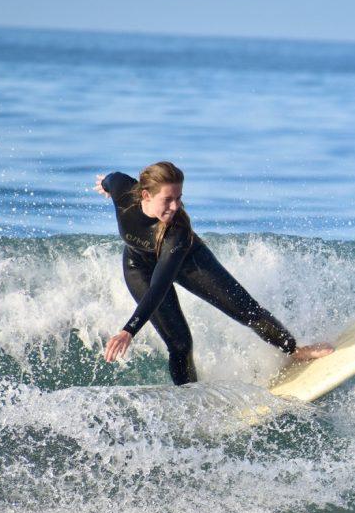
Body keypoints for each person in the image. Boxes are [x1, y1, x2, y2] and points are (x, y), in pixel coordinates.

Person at [94, 161, 332, 384]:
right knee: (180, 344)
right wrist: (104, 185)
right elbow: (112, 178)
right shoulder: (124, 194)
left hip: (189, 260)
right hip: (139, 267)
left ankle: (294, 350)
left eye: (179, 198)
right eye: (168, 199)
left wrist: (128, 331)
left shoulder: (176, 232)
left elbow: (160, 286)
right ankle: (190, 399)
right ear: (146, 195)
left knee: (245, 309)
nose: (175, 206)